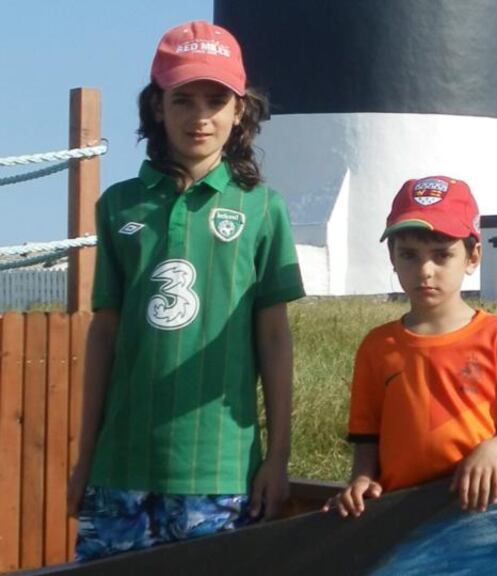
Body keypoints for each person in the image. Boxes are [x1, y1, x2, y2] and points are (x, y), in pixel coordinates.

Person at [67, 20, 305, 561]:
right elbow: (104, 333)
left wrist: (279, 457)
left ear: (239, 108)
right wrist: (86, 459)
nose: (200, 117)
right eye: (184, 99)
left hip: (219, 473)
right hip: (119, 470)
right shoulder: (118, 206)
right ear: (157, 106)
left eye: (216, 100)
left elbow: (273, 338)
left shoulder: (263, 210)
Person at [324, 176, 497, 517]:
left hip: (478, 510)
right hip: (399, 514)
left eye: (442, 255)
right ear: (392, 258)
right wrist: (362, 479)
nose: (425, 270)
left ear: (473, 257)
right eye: (409, 255)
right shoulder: (377, 346)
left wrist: (493, 451)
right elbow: (366, 436)